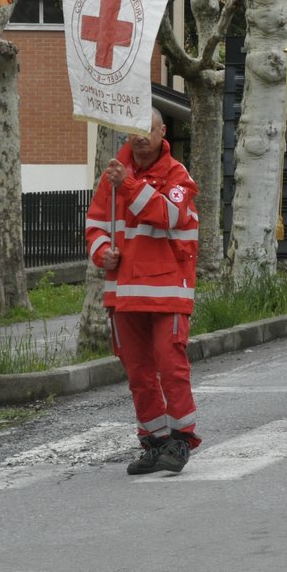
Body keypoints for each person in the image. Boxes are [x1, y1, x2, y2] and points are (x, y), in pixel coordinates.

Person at [85, 109, 202, 475]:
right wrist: (103, 253)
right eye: (134, 130)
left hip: (168, 291)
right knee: (138, 373)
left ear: (162, 131)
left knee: (171, 367)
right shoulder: (113, 176)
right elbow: (95, 225)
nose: (140, 137)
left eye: (147, 129)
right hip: (124, 292)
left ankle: (181, 439)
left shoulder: (177, 175)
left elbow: (168, 215)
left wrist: (129, 185)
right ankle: (154, 444)